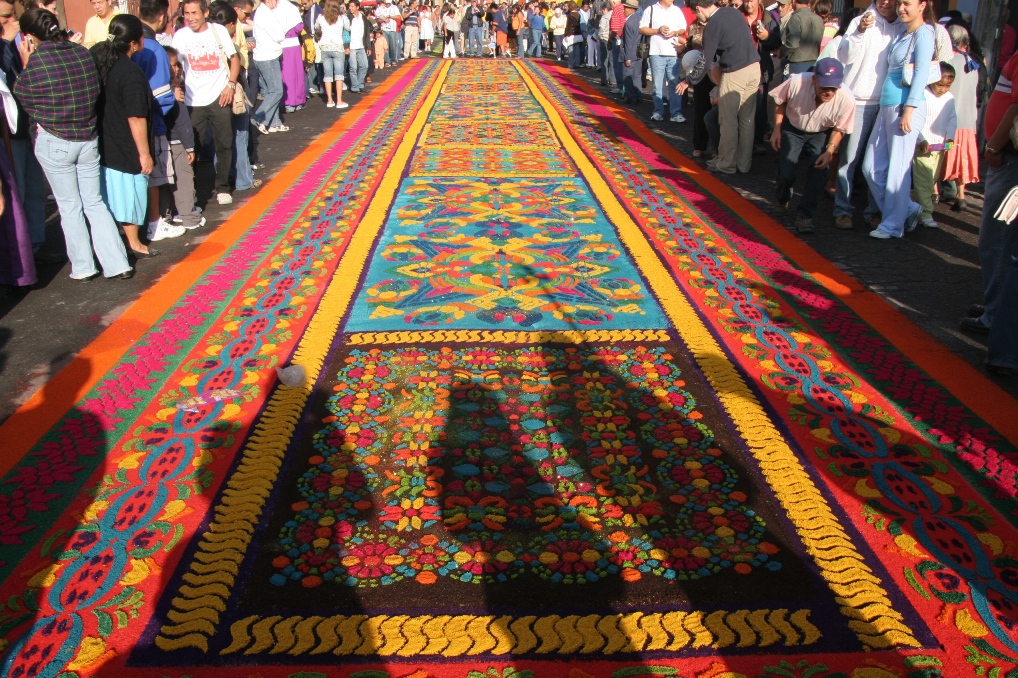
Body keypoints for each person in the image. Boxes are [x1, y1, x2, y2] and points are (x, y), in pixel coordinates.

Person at [14, 8, 133, 281]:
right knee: (94, 202)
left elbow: (22, 95)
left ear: (29, 36)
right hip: (87, 136)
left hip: (55, 138)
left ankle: (84, 267)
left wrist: (25, 62)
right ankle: (118, 264)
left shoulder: (37, 61)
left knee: (69, 206)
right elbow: (95, 89)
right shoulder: (81, 53)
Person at [91, 14, 165, 260]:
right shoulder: (130, 73)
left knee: (110, 194)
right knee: (129, 194)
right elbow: (136, 117)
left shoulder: (99, 58)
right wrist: (145, 154)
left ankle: (121, 240)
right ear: (134, 43)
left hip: (103, 136)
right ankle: (134, 243)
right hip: (125, 143)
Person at [861, 0, 934, 240]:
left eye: (907, 3)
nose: (901, 8)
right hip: (887, 105)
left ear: (922, 6)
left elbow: (921, 73)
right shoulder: (904, 32)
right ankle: (908, 210)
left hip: (904, 106)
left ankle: (892, 225)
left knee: (897, 169)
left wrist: (909, 109)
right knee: (871, 168)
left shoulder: (924, 33)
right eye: (900, 3)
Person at [960, 48, 1018, 348]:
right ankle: (995, 305)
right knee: (999, 241)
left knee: (998, 240)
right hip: (1007, 157)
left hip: (1009, 157)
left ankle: (996, 313)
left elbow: (1016, 107)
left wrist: (994, 147)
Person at [768, 58, 855, 233]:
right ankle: (782, 198)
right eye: (824, 86)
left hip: (822, 131)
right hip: (793, 127)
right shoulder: (796, 82)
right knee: (786, 172)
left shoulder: (847, 99)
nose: (828, 92)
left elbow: (840, 128)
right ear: (814, 79)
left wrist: (829, 151)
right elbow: (780, 101)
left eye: (833, 88)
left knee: (818, 172)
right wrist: (777, 129)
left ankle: (805, 216)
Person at [676, 0, 761, 175]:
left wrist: (688, 80)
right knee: (747, 119)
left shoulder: (713, 23)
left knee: (728, 120)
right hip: (754, 68)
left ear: (699, 8)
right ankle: (744, 164)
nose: (697, 17)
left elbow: (705, 59)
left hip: (735, 71)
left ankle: (727, 163)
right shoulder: (734, 12)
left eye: (695, 13)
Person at [833, 0, 897, 230]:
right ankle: (843, 209)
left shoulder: (902, 26)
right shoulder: (861, 21)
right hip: (859, 101)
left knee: (878, 162)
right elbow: (844, 55)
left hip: (887, 102)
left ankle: (874, 210)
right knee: (849, 159)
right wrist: (859, 32)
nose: (885, 3)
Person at [172, 0, 241, 206]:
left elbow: (234, 59)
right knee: (192, 147)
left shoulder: (218, 31)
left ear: (205, 12)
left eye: (194, 13)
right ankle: (190, 190)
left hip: (220, 96)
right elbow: (174, 65)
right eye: (186, 13)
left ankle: (222, 187)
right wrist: (175, 86)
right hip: (192, 100)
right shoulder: (180, 36)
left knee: (224, 145)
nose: (190, 18)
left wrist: (230, 85)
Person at [0, 0, 51, 263]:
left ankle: (35, 245)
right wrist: (5, 44)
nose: (13, 22)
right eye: (6, 17)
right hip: (9, 134)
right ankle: (20, 253)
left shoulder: (16, 42)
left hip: (28, 125)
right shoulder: (5, 44)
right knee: (17, 191)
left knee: (34, 189)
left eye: (13, 15)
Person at [136, 0, 187, 245]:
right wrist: (160, 113)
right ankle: (154, 224)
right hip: (151, 120)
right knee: (154, 175)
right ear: (162, 17)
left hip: (129, 119)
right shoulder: (153, 48)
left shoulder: (131, 39)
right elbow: (162, 94)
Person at [163, 46, 205, 230]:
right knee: (184, 180)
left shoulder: (161, 91)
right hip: (177, 143)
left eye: (178, 65)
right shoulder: (174, 94)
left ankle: (168, 215)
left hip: (164, 141)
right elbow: (183, 123)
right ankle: (189, 217)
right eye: (172, 66)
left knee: (166, 181)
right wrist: (189, 146)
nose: (177, 70)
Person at [910, 64, 956, 229]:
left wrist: (950, 137)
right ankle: (926, 214)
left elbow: (952, 119)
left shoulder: (949, 98)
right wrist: (921, 139)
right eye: (940, 85)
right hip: (923, 147)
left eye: (947, 86)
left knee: (931, 180)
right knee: (924, 181)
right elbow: (915, 119)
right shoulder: (922, 95)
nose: (943, 89)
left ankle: (912, 206)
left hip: (940, 147)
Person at [941, 24, 979, 213]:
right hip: (968, 119)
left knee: (941, 155)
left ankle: (933, 193)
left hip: (949, 118)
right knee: (962, 157)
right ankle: (961, 195)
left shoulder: (947, 61)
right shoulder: (972, 63)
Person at [638, 0, 687, 122]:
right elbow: (642, 29)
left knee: (674, 83)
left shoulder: (677, 10)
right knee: (657, 84)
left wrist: (675, 32)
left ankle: (676, 113)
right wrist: (658, 30)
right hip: (656, 52)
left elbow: (683, 28)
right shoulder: (651, 9)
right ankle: (658, 111)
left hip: (674, 52)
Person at [251, 0, 287, 134]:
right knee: (276, 91)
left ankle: (274, 123)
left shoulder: (261, 12)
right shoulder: (266, 14)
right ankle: (259, 117)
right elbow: (280, 35)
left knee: (269, 92)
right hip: (268, 56)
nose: (277, 2)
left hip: (261, 56)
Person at [315, 0, 349, 106]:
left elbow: (316, 28)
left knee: (327, 74)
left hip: (325, 47)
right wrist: (344, 14)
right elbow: (348, 27)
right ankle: (339, 100)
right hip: (337, 46)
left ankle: (329, 100)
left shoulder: (321, 17)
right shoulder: (341, 18)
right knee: (339, 75)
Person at [275, 0, 307, 113]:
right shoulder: (292, 7)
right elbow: (299, 26)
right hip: (294, 44)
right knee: (297, 73)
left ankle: (288, 102)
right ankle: (299, 101)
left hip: (282, 44)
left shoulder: (274, 8)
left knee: (286, 75)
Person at [780, 0, 821, 79]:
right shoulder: (818, 18)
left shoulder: (796, 18)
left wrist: (781, 52)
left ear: (794, 1)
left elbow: (792, 44)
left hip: (796, 65)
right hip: (813, 64)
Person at [619, 0, 641, 103]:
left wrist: (627, 58)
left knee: (627, 76)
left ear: (632, 9)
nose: (624, 10)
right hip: (639, 53)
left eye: (625, 8)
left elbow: (628, 42)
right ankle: (638, 96)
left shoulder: (629, 23)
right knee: (637, 76)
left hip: (630, 54)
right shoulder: (640, 19)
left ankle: (631, 97)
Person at [346, 0, 369, 90]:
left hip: (361, 46)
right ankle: (355, 86)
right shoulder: (348, 17)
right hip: (352, 46)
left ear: (357, 7)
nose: (350, 8)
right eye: (349, 6)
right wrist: (346, 46)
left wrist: (368, 46)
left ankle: (359, 83)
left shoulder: (363, 18)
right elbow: (345, 32)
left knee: (364, 66)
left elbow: (366, 33)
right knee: (353, 67)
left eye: (352, 6)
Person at [377, 0, 401, 66]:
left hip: (392, 29)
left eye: (388, 3)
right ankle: (387, 61)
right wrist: (384, 20)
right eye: (386, 3)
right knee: (385, 46)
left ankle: (393, 60)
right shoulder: (381, 8)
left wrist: (390, 16)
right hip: (384, 29)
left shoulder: (394, 7)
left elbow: (398, 16)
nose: (387, 5)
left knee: (393, 45)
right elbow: (378, 19)